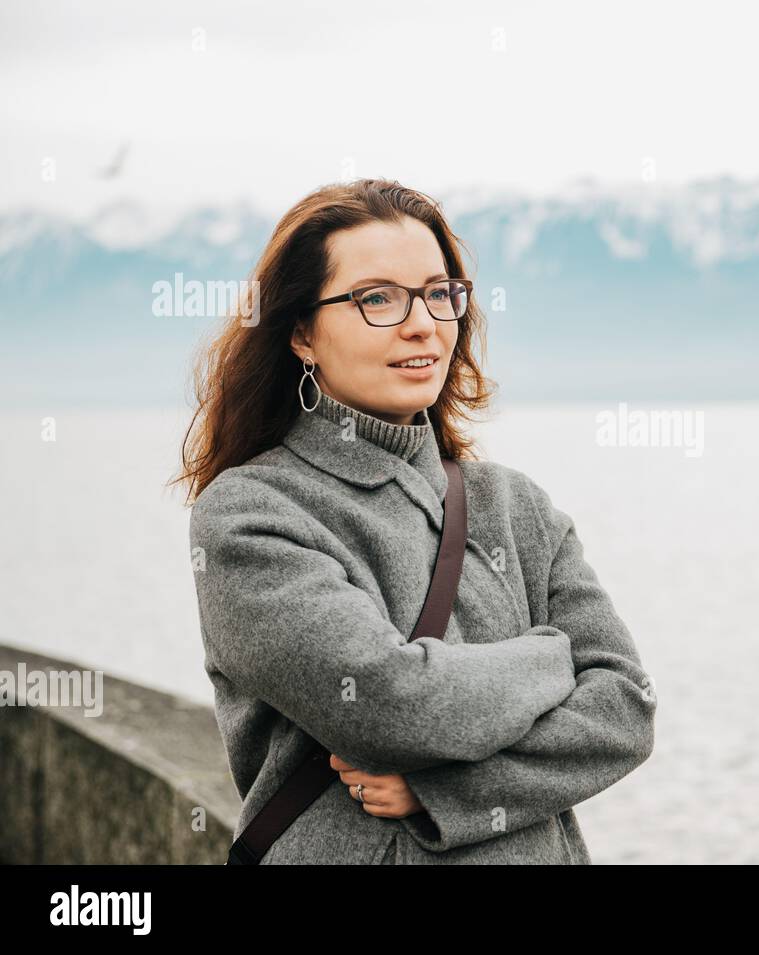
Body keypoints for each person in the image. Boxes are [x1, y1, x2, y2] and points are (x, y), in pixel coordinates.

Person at [173, 178, 656, 863]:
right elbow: (386, 703)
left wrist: (441, 794)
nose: (422, 322)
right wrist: (552, 657)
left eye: (439, 293)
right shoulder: (250, 514)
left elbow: (625, 711)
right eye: (377, 298)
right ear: (303, 332)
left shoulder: (517, 507)